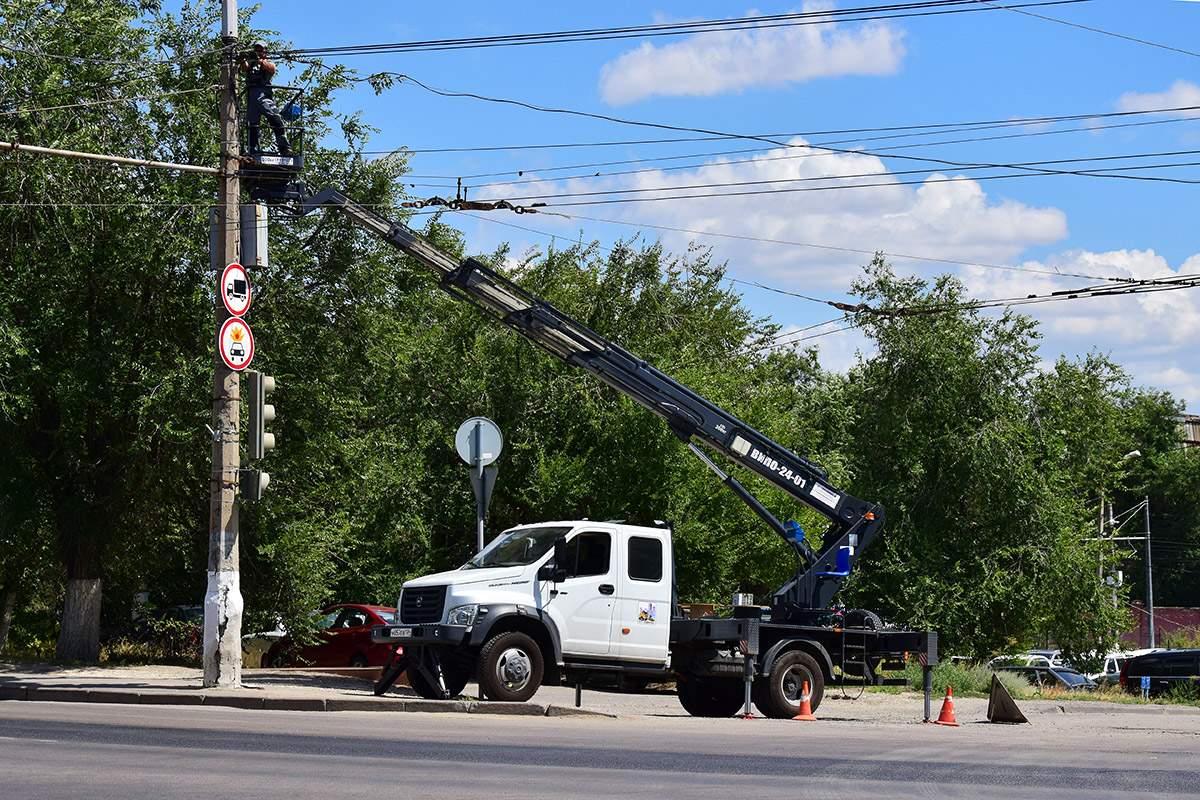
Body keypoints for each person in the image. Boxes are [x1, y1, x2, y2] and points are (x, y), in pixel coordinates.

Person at [240, 40, 293, 156]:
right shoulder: (251, 63)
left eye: (260, 50)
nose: (257, 52)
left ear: (265, 52)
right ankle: (253, 150)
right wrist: (242, 58)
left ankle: (284, 147)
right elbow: (245, 67)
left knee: (274, 118)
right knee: (252, 125)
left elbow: (271, 68)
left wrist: (258, 59)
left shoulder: (267, 63)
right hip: (251, 96)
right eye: (256, 50)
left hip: (263, 95)